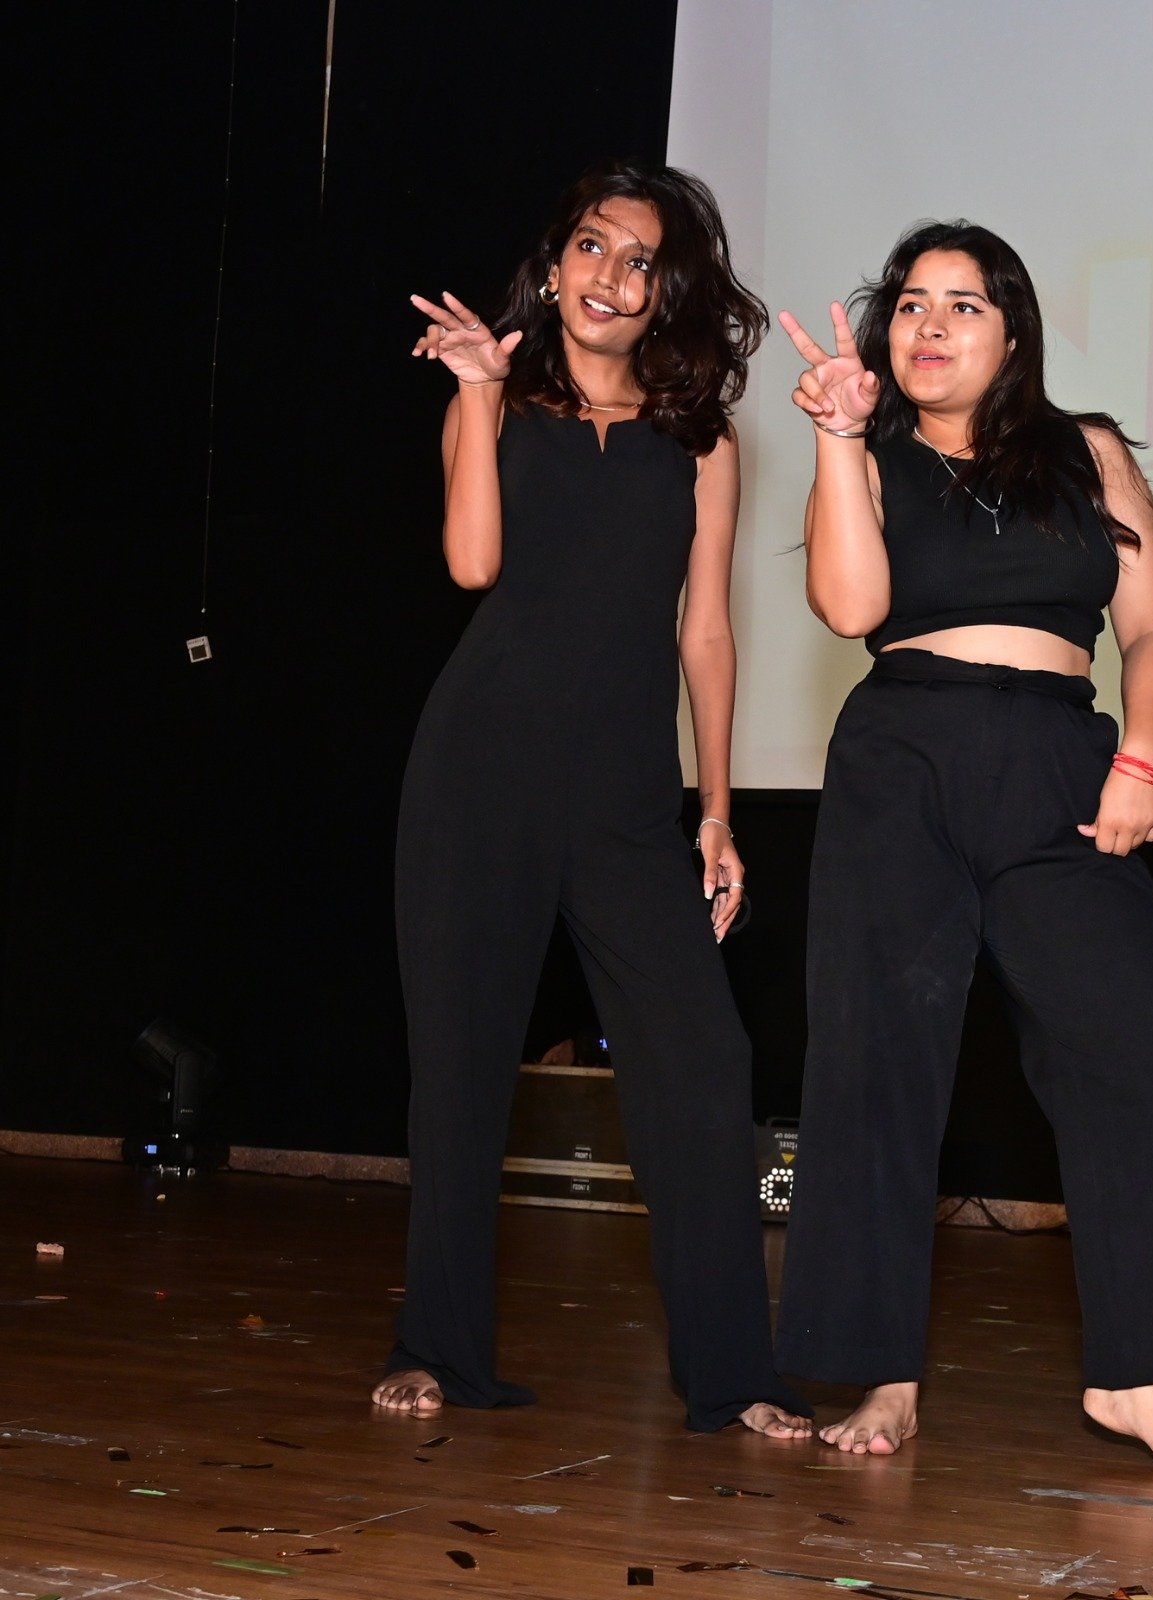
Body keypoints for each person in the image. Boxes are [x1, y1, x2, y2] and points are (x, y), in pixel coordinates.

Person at [773, 222, 1153, 1477]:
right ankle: (884, 1375)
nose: (930, 325)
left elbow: (1150, 632)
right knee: (877, 1066)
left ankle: (1135, 1374)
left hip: (1058, 763)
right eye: (910, 304)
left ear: (1011, 332)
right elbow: (849, 607)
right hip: (901, 759)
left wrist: (1140, 759)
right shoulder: (865, 451)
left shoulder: (1085, 451)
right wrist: (836, 438)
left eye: (963, 304)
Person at [372, 160, 811, 1439]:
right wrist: (474, 392)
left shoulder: (702, 438)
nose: (612, 276)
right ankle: (437, 1349)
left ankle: (733, 1374)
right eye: (592, 247)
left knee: (703, 1058)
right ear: (555, 265)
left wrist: (716, 810)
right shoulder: (496, 399)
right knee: (460, 1066)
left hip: (624, 796)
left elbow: (706, 633)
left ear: (667, 290)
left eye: (641, 261)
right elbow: (472, 565)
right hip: (477, 775)